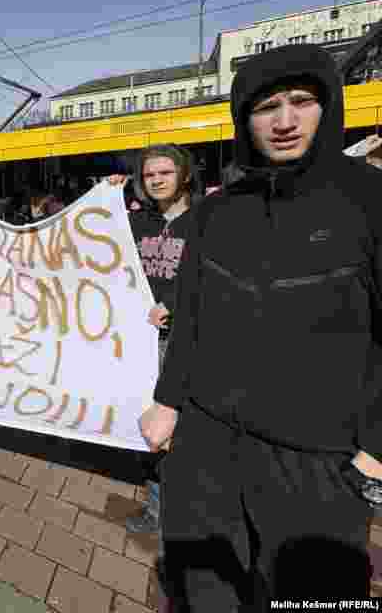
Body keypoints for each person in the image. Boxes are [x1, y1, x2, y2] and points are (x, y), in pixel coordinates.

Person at [140, 44, 382, 608]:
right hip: (205, 443)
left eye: (302, 101)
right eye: (266, 106)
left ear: (329, 107)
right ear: (244, 119)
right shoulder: (216, 213)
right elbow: (191, 312)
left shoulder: (370, 200)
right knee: (203, 591)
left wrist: (375, 448)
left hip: (319, 459)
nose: (285, 121)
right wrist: (168, 401)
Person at [110, 146, 200, 544]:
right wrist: (107, 198)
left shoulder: (205, 220)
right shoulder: (137, 221)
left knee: (179, 427)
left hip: (184, 342)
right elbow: (90, 236)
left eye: (165, 172)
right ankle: (158, 506)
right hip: (139, 342)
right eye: (149, 175)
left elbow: (218, 278)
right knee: (149, 424)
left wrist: (177, 307)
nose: (158, 180)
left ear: (183, 175)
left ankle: (177, 508)